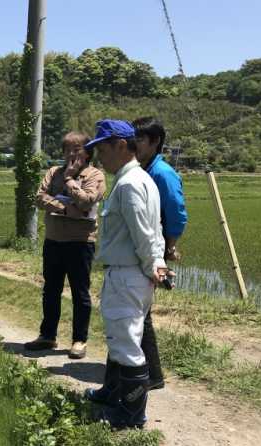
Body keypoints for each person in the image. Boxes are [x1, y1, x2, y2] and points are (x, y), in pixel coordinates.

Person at [83, 119, 169, 429]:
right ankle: (112, 394)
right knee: (121, 337)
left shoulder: (131, 183)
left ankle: (130, 416)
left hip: (127, 274)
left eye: (102, 149)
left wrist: (152, 266)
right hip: (132, 274)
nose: (99, 158)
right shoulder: (138, 178)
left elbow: (144, 233)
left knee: (128, 346)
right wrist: (156, 265)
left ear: (121, 145)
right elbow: (154, 232)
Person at [25, 132, 106, 360]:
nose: (71, 154)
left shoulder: (94, 175)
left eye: (77, 149)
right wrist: (65, 208)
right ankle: (47, 335)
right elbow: (39, 197)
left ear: (88, 152)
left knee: (80, 293)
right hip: (53, 240)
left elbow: (87, 201)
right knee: (51, 290)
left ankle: (79, 340)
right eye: (67, 149)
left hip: (80, 243)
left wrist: (70, 180)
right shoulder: (53, 172)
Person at [133, 116, 188, 390]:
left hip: (155, 248)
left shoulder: (162, 173)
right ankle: (143, 369)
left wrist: (170, 246)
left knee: (141, 309)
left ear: (155, 142)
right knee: (139, 308)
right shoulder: (144, 169)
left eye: (140, 139)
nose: (135, 144)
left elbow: (176, 212)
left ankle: (152, 373)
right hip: (146, 247)